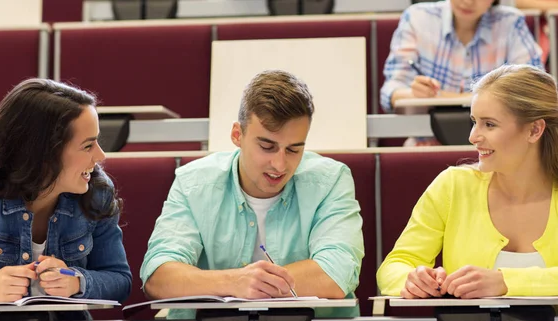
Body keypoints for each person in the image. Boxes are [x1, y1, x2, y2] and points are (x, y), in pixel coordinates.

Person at [141, 70, 364, 319]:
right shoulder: (193, 183)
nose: (280, 165)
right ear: (238, 135)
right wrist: (235, 281)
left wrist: (252, 284)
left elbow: (335, 274)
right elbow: (158, 277)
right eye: (267, 146)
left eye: (293, 149)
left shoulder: (331, 180)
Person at [377, 65, 558, 301]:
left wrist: (505, 282)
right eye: (474, 121)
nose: (473, 136)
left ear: (535, 130)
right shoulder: (452, 185)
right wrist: (413, 279)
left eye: (489, 124)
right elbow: (394, 267)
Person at [0, 79, 132, 318]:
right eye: (87, 146)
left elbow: (119, 279)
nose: (100, 155)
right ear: (43, 153)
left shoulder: (98, 193)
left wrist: (78, 281)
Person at [380, 0, 543, 146]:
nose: (468, 1)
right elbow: (390, 90)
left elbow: (536, 89)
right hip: (427, 143)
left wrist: (442, 96)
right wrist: (413, 93)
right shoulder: (418, 18)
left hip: (498, 147)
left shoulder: (510, 22)